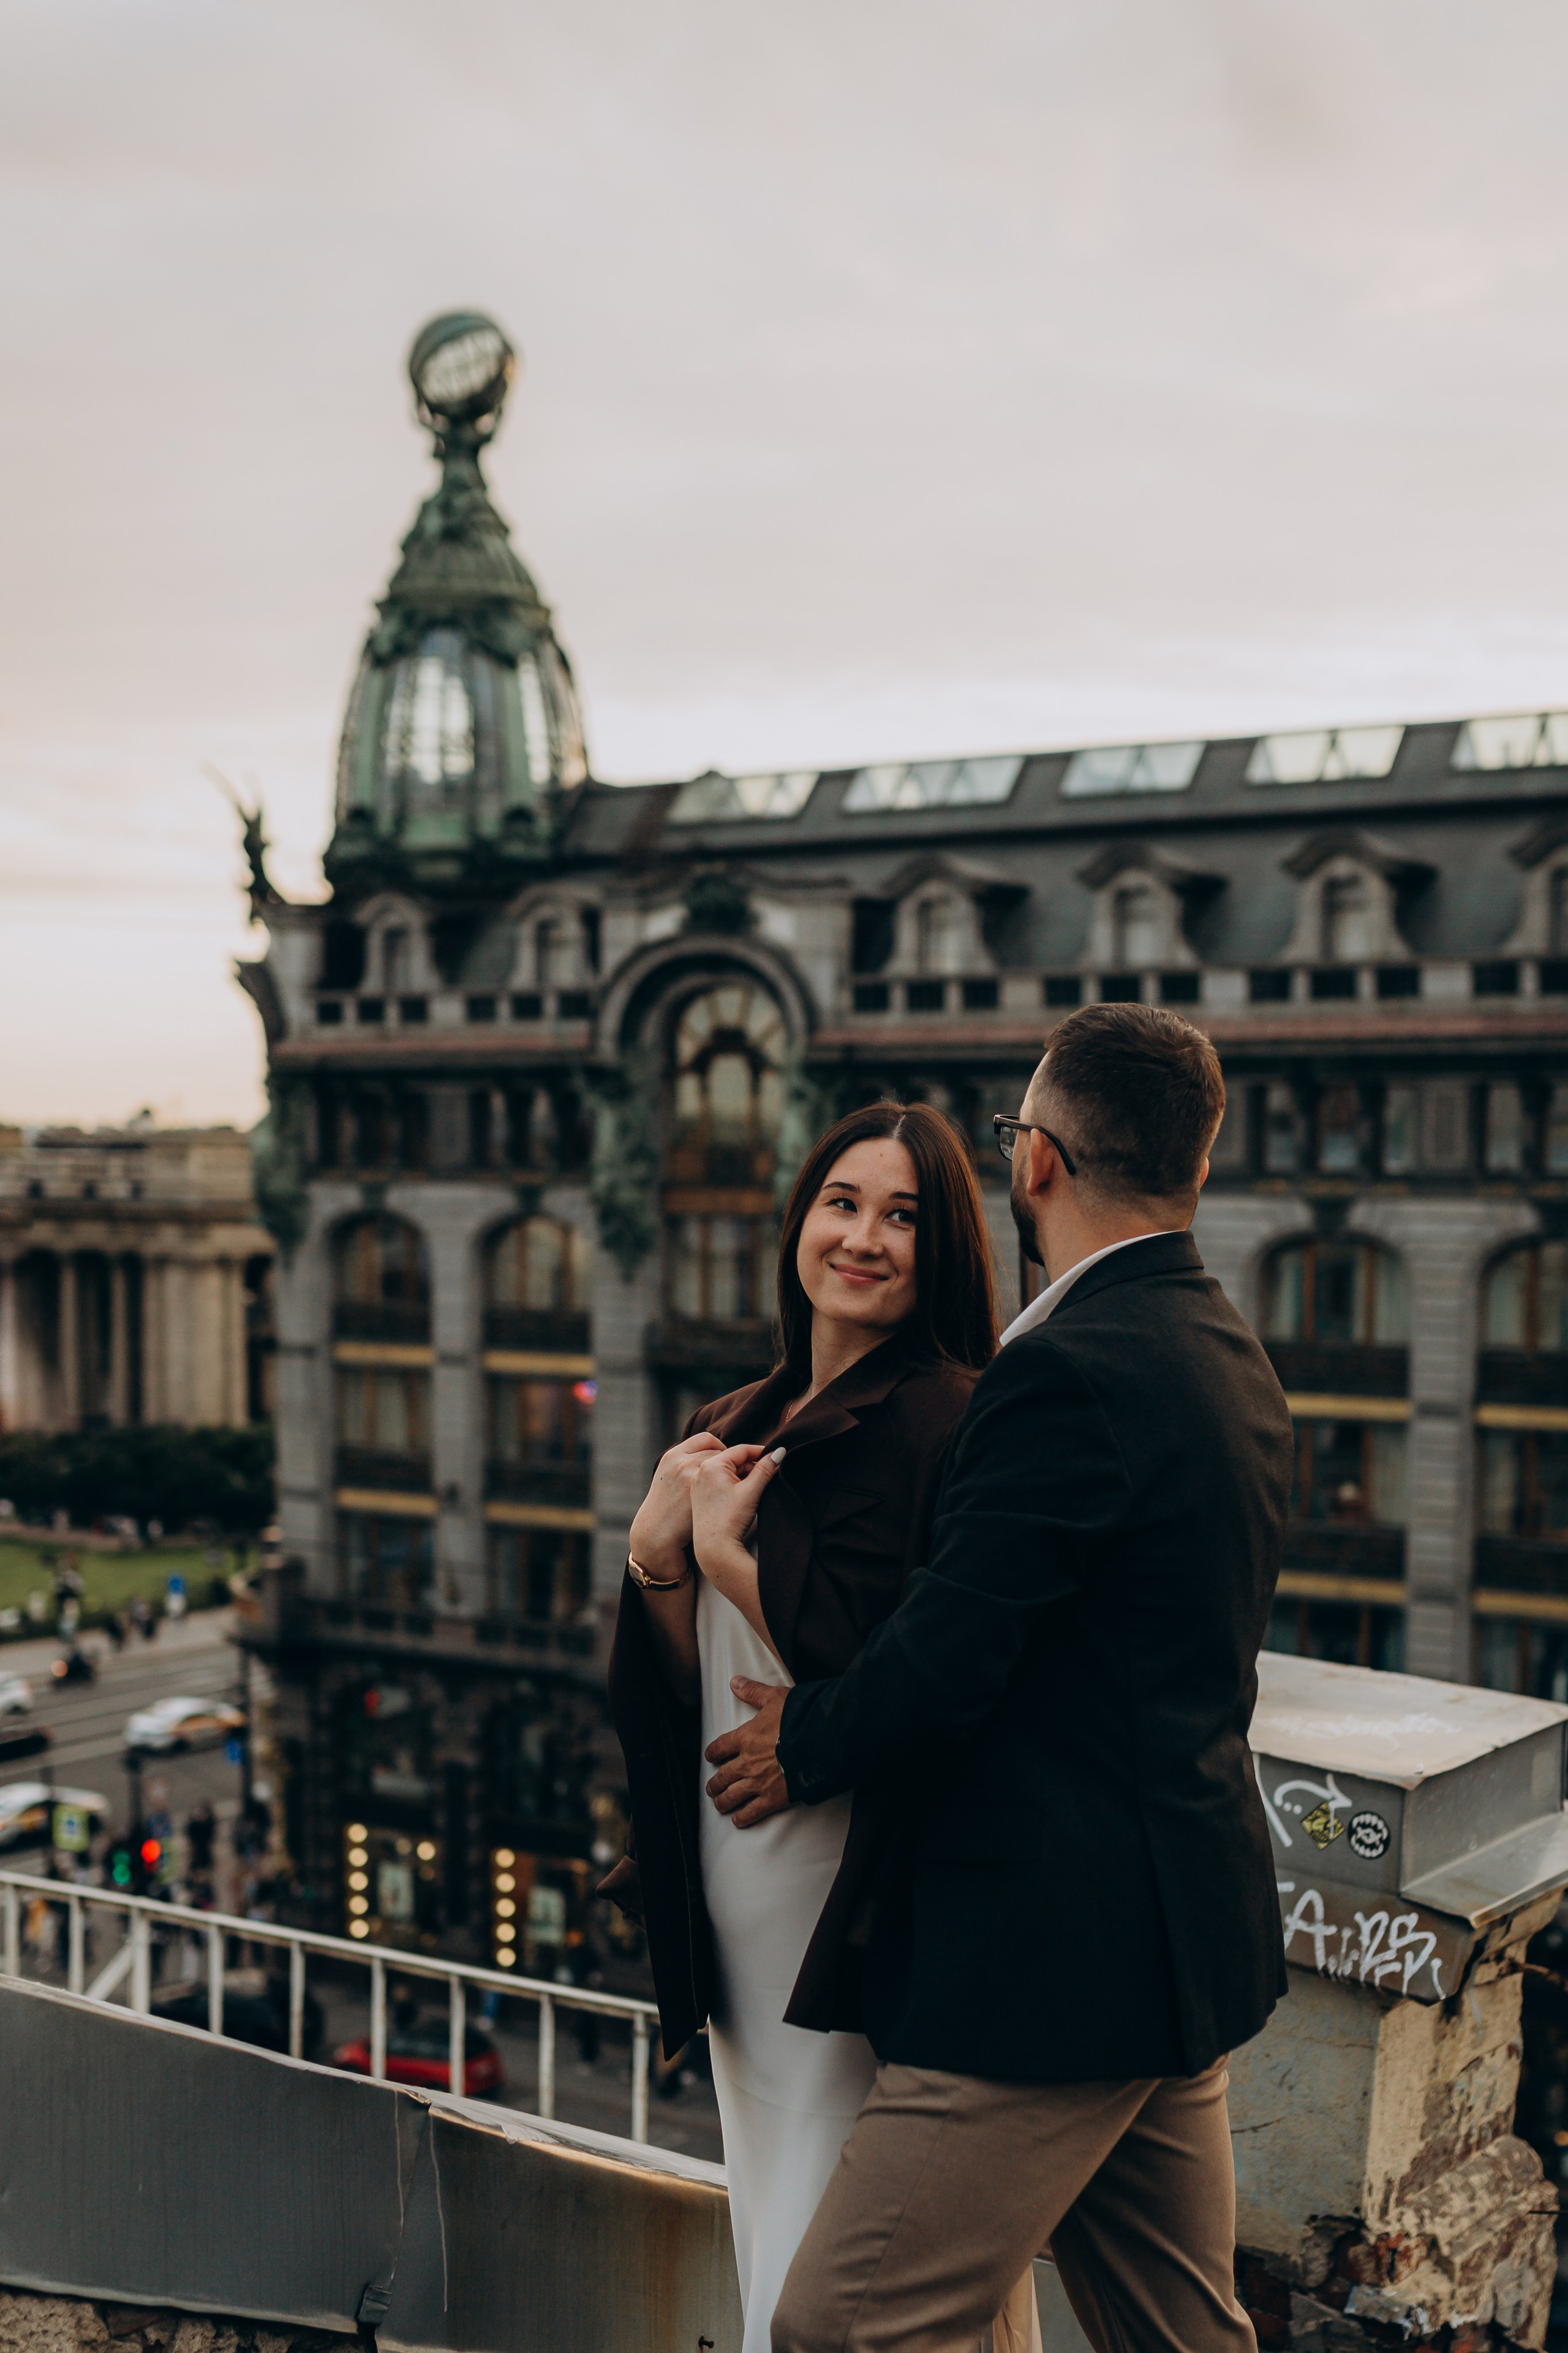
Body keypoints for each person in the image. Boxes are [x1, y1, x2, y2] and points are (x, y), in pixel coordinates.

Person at [703, 1004, 1295, 2353]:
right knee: (1179, 2332)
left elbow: (948, 1651)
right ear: (1191, 1169)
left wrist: (806, 1738)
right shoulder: (1223, 1351)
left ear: (1031, 1160)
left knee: (842, 2323)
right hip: (1176, 1938)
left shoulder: (1066, 1373)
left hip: (1052, 1960)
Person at [605, 1101, 1002, 2353]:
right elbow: (689, 1686)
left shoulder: (953, 1418)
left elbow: (924, 1678)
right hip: (732, 1865)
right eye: (842, 1202)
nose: (864, 1238)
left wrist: (729, 1564)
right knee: (769, 2182)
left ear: (943, 1245)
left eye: (902, 1215)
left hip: (847, 1881)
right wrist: (658, 1565)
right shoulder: (740, 1410)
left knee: (837, 2225)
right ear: (799, 1221)